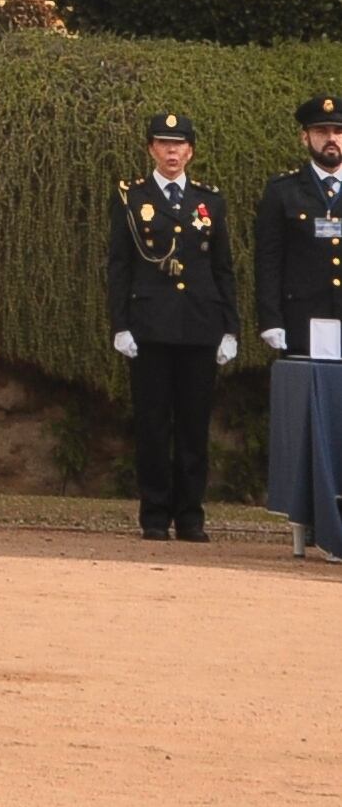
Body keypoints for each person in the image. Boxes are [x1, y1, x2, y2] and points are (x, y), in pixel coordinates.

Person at [107, 107, 241, 543]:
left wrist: (230, 328)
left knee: (193, 425)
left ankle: (190, 516)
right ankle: (154, 514)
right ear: (151, 148)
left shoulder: (210, 201)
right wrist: (120, 324)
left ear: (191, 151)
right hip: (149, 326)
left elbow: (223, 268)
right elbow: (119, 266)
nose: (172, 151)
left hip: (200, 326)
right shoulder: (132, 197)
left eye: (179, 144)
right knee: (151, 423)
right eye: (164, 144)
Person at [253, 93, 342, 365]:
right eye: (321, 131)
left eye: (339, 131)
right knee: (306, 399)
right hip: (303, 317)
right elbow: (268, 259)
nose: (331, 138)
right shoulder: (283, 191)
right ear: (305, 137)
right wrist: (271, 319)